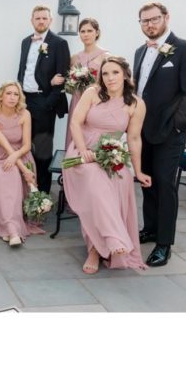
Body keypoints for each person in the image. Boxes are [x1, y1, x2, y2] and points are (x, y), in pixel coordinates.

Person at [63, 56, 152, 274]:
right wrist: (83, 149)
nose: (110, 78)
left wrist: (138, 171)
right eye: (105, 73)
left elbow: (133, 139)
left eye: (115, 72)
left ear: (125, 75)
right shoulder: (92, 93)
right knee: (95, 181)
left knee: (121, 180)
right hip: (82, 152)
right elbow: (75, 122)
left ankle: (105, 243)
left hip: (111, 152)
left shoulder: (136, 104)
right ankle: (99, 247)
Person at [133, 2, 186, 267]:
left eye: (154, 19)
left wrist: (178, 126)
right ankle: (150, 228)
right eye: (144, 21)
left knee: (165, 186)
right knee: (147, 183)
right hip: (141, 131)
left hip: (169, 132)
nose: (150, 24)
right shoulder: (140, 52)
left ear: (166, 18)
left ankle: (164, 243)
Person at [16, 5, 70, 194]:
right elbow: (23, 71)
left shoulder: (59, 43)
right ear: (32, 20)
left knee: (42, 150)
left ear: (50, 20)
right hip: (24, 101)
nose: (41, 21)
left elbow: (62, 78)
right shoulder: (25, 42)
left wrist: (48, 104)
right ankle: (26, 189)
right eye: (37, 18)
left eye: (44, 18)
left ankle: (42, 196)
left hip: (44, 102)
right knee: (23, 146)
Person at [0, 81, 38, 246]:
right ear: (1, 95)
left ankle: (10, 228)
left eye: (16, 94)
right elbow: (6, 147)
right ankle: (11, 229)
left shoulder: (25, 114)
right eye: (9, 93)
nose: (12, 97)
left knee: (12, 172)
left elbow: (27, 145)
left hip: (21, 155)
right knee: (6, 173)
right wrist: (24, 171)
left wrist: (17, 160)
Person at [64, 18, 109, 151]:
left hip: (95, 102)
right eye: (82, 31)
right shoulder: (74, 58)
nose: (86, 34)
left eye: (90, 30)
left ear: (97, 32)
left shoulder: (105, 56)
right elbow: (68, 87)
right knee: (75, 132)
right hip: (77, 100)